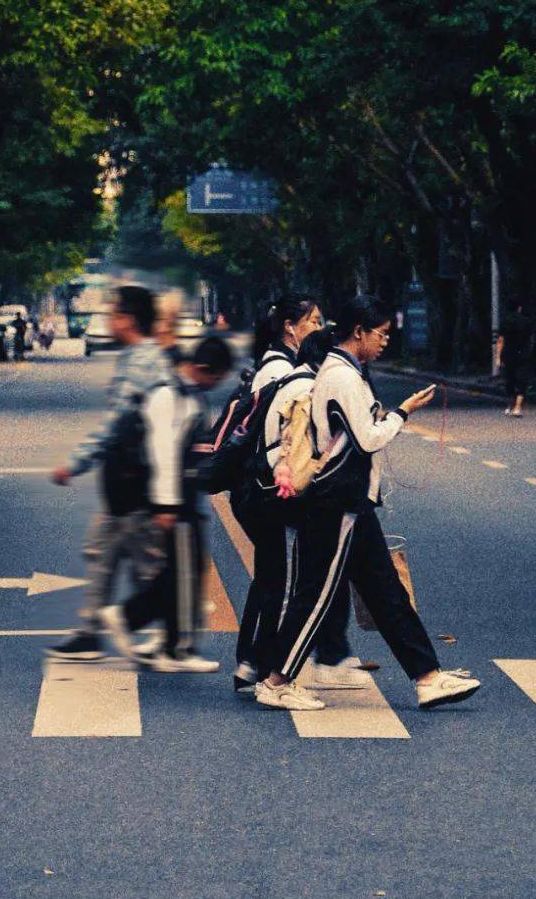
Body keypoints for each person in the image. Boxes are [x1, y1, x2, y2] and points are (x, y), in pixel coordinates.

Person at [255, 293, 481, 714]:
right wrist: (403, 412)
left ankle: (428, 678)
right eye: (381, 334)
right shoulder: (340, 377)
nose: (385, 342)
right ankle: (275, 681)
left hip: (351, 503)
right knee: (315, 596)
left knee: (387, 593)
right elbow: (367, 438)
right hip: (335, 502)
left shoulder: (347, 373)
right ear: (358, 332)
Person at [232, 292, 355, 694]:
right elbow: (286, 441)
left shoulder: (277, 367)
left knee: (276, 576)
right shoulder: (282, 372)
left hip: (261, 489)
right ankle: (303, 659)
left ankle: (256, 662)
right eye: (315, 321)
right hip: (269, 489)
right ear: (291, 326)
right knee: (299, 574)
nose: (320, 328)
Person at [47, 286, 170, 660]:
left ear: (128, 320)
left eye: (114, 314)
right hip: (126, 479)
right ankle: (91, 632)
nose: (109, 321)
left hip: (136, 481)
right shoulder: (138, 357)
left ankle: (170, 634)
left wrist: (77, 461)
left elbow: (118, 422)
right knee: (103, 551)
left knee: (147, 563)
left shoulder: (142, 362)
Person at [104, 335, 235, 671]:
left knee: (182, 570)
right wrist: (166, 505)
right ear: (203, 369)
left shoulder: (186, 395)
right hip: (171, 499)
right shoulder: (170, 396)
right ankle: (168, 643)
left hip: (180, 497)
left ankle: (165, 640)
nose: (216, 384)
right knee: (183, 571)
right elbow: (162, 453)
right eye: (216, 377)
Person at [497, 302, 533, 416]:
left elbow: (501, 340)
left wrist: (498, 357)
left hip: (508, 353)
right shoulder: (527, 321)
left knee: (510, 380)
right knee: (522, 380)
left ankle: (509, 405)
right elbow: (531, 339)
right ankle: (518, 407)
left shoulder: (505, 322)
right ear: (519, 308)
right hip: (523, 354)